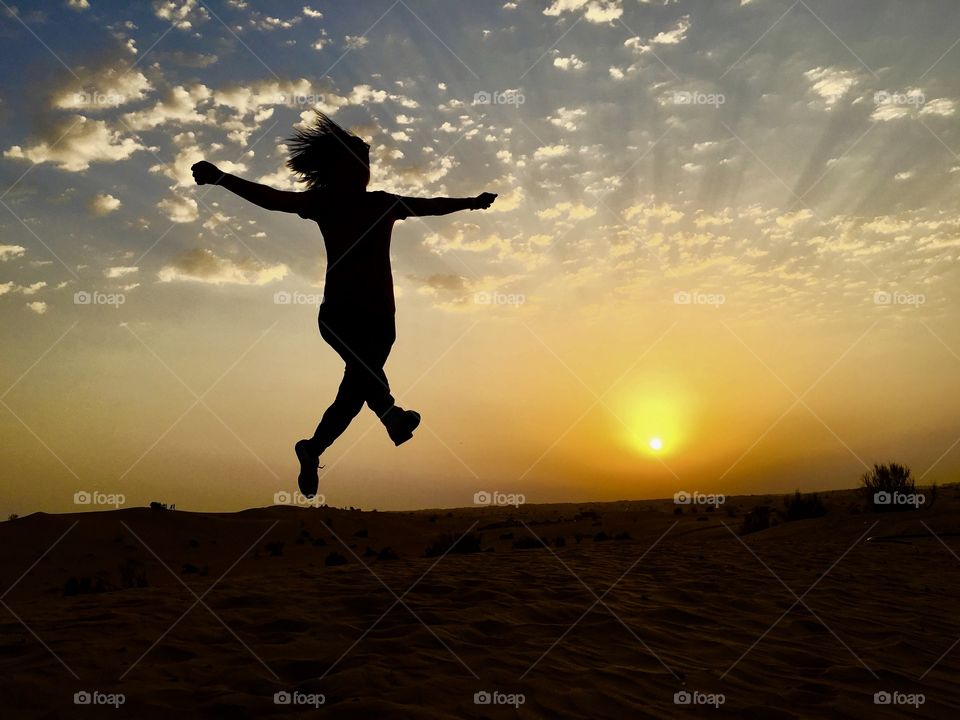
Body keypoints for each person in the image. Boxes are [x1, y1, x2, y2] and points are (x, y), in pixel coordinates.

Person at [191, 112, 497, 498]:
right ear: (337, 169)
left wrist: (471, 202)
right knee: (366, 377)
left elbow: (430, 205)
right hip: (339, 314)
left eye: (367, 166)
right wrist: (221, 178)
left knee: (353, 395)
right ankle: (392, 418)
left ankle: (313, 448)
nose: (364, 172)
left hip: (383, 319)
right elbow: (271, 199)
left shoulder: (385, 204)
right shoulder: (324, 203)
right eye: (357, 164)